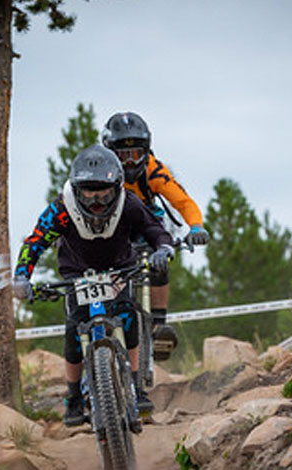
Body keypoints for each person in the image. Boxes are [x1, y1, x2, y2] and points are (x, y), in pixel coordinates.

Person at [11, 144, 174, 427]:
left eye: (104, 193)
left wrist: (163, 250)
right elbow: (34, 242)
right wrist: (22, 276)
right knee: (74, 331)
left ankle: (136, 387)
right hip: (77, 275)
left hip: (120, 270)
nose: (97, 202)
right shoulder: (61, 208)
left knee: (128, 318)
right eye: (89, 193)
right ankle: (73, 398)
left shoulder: (129, 203)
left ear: (116, 188)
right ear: (76, 189)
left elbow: (155, 230)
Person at [101, 111, 209, 360]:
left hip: (145, 223)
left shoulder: (153, 169)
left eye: (136, 154)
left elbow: (182, 202)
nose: (129, 162)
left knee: (159, 259)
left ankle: (158, 324)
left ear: (146, 151)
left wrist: (195, 227)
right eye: (122, 155)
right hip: (111, 227)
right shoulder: (99, 170)